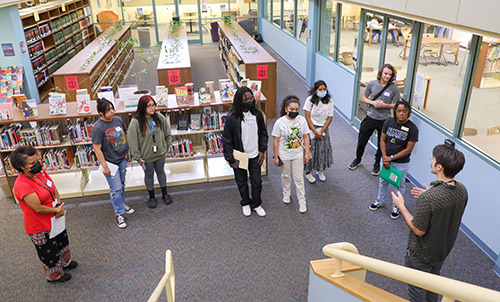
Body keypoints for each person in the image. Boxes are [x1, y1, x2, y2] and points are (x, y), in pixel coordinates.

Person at [392, 144, 467, 302]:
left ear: (439, 167)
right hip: (442, 249)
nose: (430, 161)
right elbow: (447, 203)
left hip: (421, 254)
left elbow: (418, 230)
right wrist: (429, 195)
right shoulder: (461, 190)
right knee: (433, 284)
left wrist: (401, 206)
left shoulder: (430, 198)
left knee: (417, 290)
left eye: (432, 159)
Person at [12, 146, 77, 282]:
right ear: (21, 167)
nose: (37, 165)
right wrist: (57, 211)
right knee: (49, 251)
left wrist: (58, 205)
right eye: (32, 163)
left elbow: (53, 188)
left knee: (62, 242)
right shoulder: (22, 185)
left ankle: (65, 262)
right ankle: (55, 275)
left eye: (37, 160)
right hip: (39, 225)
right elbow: (38, 208)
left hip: (55, 217)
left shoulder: (40, 173)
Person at [223, 86, 269, 217]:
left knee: (257, 182)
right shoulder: (232, 118)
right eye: (246, 99)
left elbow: (263, 134)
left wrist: (262, 150)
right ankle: (245, 203)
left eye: (251, 98)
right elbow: (227, 140)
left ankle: (256, 203)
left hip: (255, 155)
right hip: (240, 156)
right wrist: (230, 159)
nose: (249, 101)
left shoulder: (257, 114)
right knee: (241, 181)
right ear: (239, 100)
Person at [348, 63, 400, 176]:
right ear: (381, 73)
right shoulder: (371, 84)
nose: (387, 76)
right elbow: (364, 98)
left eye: (390, 75)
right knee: (362, 141)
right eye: (385, 73)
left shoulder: (394, 88)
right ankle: (358, 159)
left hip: (385, 120)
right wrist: (373, 103)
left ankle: (376, 164)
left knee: (382, 145)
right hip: (371, 117)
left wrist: (385, 105)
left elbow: (396, 104)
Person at [369, 100, 418, 219]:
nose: (401, 114)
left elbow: (408, 149)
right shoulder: (389, 122)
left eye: (404, 111)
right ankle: (380, 200)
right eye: (399, 111)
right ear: (395, 111)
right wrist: (385, 157)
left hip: (401, 163)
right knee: (383, 180)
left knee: (399, 184)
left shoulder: (412, 128)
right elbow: (382, 140)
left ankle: (397, 206)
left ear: (409, 113)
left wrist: (391, 158)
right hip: (386, 159)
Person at [91, 98, 135, 229]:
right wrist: (104, 166)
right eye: (108, 110)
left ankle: (121, 204)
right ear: (101, 113)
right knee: (115, 188)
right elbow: (97, 149)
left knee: (121, 184)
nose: (112, 112)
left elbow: (124, 134)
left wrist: (126, 151)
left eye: (112, 109)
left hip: (121, 159)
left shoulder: (118, 120)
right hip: (110, 163)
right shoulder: (97, 128)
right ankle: (119, 214)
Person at [128, 95, 173, 209]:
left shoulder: (159, 117)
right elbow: (132, 140)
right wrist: (137, 157)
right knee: (149, 175)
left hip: (160, 153)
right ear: (142, 107)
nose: (152, 108)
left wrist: (167, 144)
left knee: (161, 172)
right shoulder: (136, 122)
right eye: (149, 106)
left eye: (153, 105)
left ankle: (165, 193)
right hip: (146, 156)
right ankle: (152, 196)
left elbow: (167, 131)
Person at [272, 95, 311, 213]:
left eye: (296, 110)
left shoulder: (302, 120)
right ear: (286, 109)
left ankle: (302, 201)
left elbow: (306, 137)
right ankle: (286, 193)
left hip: (298, 154)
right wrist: (276, 156)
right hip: (285, 155)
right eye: (291, 109)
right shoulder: (280, 122)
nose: (294, 112)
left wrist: (307, 153)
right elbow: (276, 140)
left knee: (299, 179)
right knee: (286, 176)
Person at [303, 80, 334, 183]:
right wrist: (315, 132)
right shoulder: (309, 100)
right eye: (320, 89)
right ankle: (308, 172)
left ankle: (320, 170)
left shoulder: (329, 101)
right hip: (311, 128)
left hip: (323, 128)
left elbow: (330, 118)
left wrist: (321, 131)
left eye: (324, 89)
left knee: (322, 150)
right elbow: (307, 117)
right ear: (315, 91)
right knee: (310, 150)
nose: (322, 91)